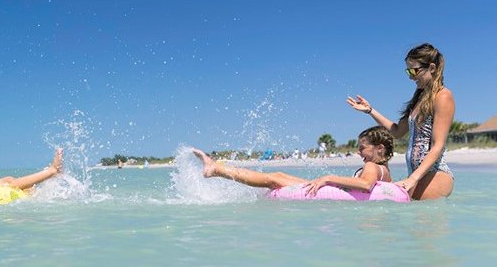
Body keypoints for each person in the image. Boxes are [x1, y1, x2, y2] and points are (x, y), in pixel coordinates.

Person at [347, 43, 454, 200]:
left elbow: (438, 146)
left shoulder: (443, 96)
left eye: (414, 70)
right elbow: (397, 131)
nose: (411, 76)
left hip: (434, 175)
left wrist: (413, 179)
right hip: (418, 176)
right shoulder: (419, 99)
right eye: (408, 71)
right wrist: (370, 110)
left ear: (431, 68)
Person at [193, 126, 394, 196]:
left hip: (329, 191)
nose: (359, 153)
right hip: (331, 192)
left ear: (379, 148)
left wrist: (329, 178)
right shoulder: (384, 170)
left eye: (362, 148)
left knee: (274, 179)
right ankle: (218, 169)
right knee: (277, 177)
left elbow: (366, 184)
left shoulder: (372, 166)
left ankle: (217, 169)